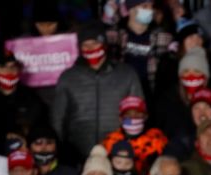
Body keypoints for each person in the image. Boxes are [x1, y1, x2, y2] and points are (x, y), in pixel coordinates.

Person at [52, 20, 144, 158]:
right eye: (85, 45)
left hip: (119, 154)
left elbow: (138, 112)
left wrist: (131, 146)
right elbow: (57, 119)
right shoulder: (68, 77)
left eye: (95, 43)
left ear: (104, 44)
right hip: (77, 154)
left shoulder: (126, 74)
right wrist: (62, 151)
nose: (90, 48)